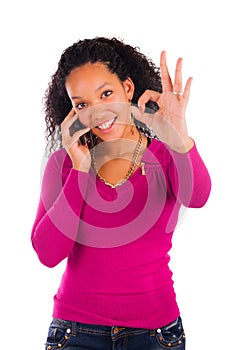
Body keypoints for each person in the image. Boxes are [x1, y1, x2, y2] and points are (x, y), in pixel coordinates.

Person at [31, 37, 211, 350]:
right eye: (83, 104)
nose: (98, 112)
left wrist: (178, 133)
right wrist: (80, 170)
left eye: (106, 93)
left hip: (155, 333)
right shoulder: (65, 164)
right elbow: (48, 253)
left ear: (127, 88)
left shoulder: (167, 154)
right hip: (75, 332)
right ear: (72, 111)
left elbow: (197, 196)